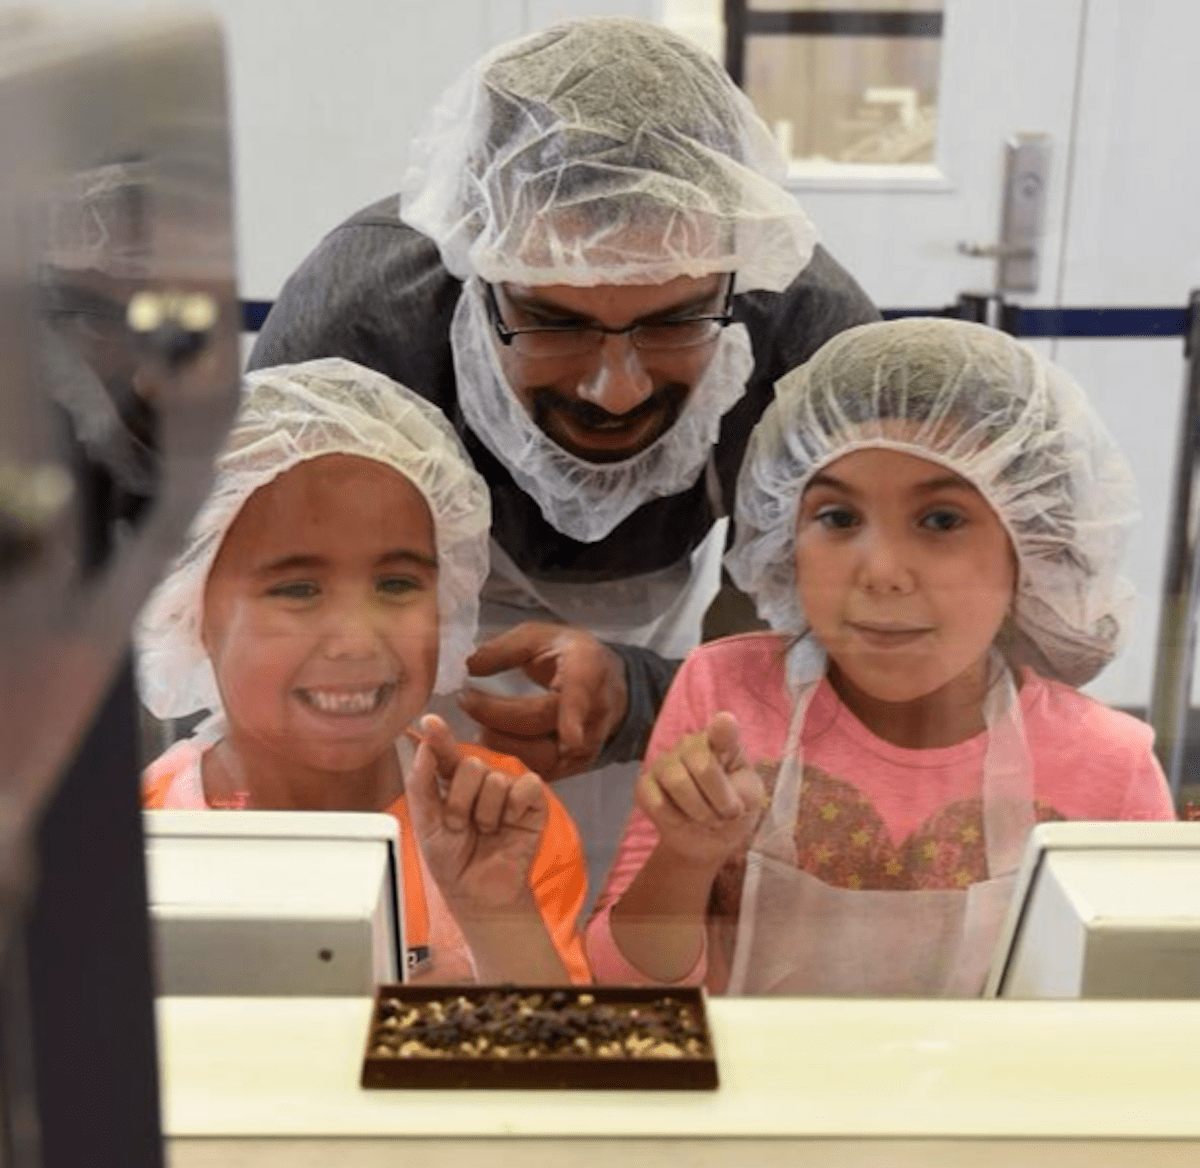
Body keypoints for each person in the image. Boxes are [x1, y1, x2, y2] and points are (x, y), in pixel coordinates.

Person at [247, 17, 878, 900]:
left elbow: (857, 639)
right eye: (554, 322)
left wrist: (647, 695)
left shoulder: (801, 331)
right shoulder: (364, 320)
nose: (615, 390)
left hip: (673, 659)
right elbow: (256, 598)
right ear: (475, 272)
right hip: (378, 668)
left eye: (674, 321)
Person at [585, 318, 1175, 997]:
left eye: (941, 520)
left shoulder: (1109, 767)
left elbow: (1150, 1001)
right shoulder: (729, 695)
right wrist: (686, 858)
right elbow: (623, 985)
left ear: (1032, 544)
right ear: (786, 535)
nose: (883, 572)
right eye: (838, 518)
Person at [136, 358, 589, 985]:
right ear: (190, 613)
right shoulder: (142, 835)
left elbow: (559, 1044)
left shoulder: (496, 816)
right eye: (297, 589)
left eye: (397, 583)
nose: (356, 640)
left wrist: (495, 914)